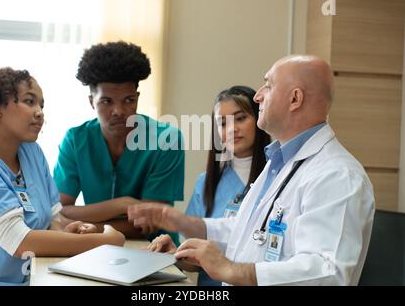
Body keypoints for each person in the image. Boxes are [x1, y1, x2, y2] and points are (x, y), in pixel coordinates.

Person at [128, 55, 375, 286]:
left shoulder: (336, 174)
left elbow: (328, 272)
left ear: (295, 99)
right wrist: (187, 237)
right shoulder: (280, 163)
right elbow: (246, 232)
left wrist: (232, 270)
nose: (258, 96)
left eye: (267, 85)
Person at [0, 68, 125, 286]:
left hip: (34, 278)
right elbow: (20, 242)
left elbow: (54, 219)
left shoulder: (32, 152)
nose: (39, 112)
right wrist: (103, 241)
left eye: (41, 105)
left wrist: (73, 232)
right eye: (29, 101)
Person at [53, 41, 184, 243]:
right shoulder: (76, 139)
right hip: (95, 250)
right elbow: (59, 211)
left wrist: (93, 228)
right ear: (91, 102)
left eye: (128, 100)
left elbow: (151, 223)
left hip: (155, 251)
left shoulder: (166, 139)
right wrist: (123, 204)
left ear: (138, 98)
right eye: (107, 101)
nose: (119, 111)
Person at [185, 85, 270, 285]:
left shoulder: (279, 178)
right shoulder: (205, 183)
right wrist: (175, 253)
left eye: (240, 118)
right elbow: (194, 259)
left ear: (259, 118)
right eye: (223, 123)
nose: (232, 129)